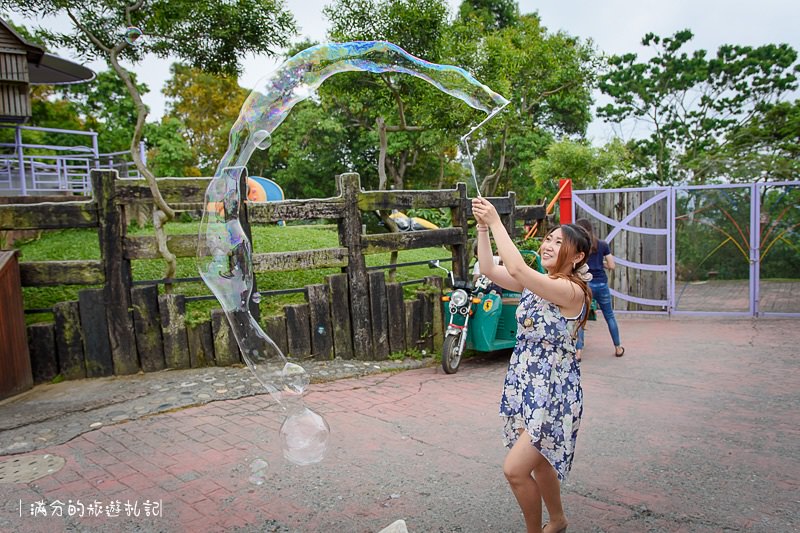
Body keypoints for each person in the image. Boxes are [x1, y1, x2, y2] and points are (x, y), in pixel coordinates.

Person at [472, 197, 593, 533]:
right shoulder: (538, 282)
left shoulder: (571, 290)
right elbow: (489, 269)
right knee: (540, 465)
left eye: (559, 242)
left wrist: (497, 221)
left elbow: (517, 269)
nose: (549, 244)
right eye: (548, 238)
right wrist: (483, 228)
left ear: (578, 256)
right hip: (529, 384)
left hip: (553, 394)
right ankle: (558, 520)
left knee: (515, 469)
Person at [574, 218, 625, 361]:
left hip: (586, 286)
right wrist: (600, 264)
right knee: (609, 316)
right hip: (602, 284)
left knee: (581, 320)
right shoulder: (602, 245)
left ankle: (578, 352)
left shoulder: (580, 246)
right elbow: (612, 265)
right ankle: (618, 347)